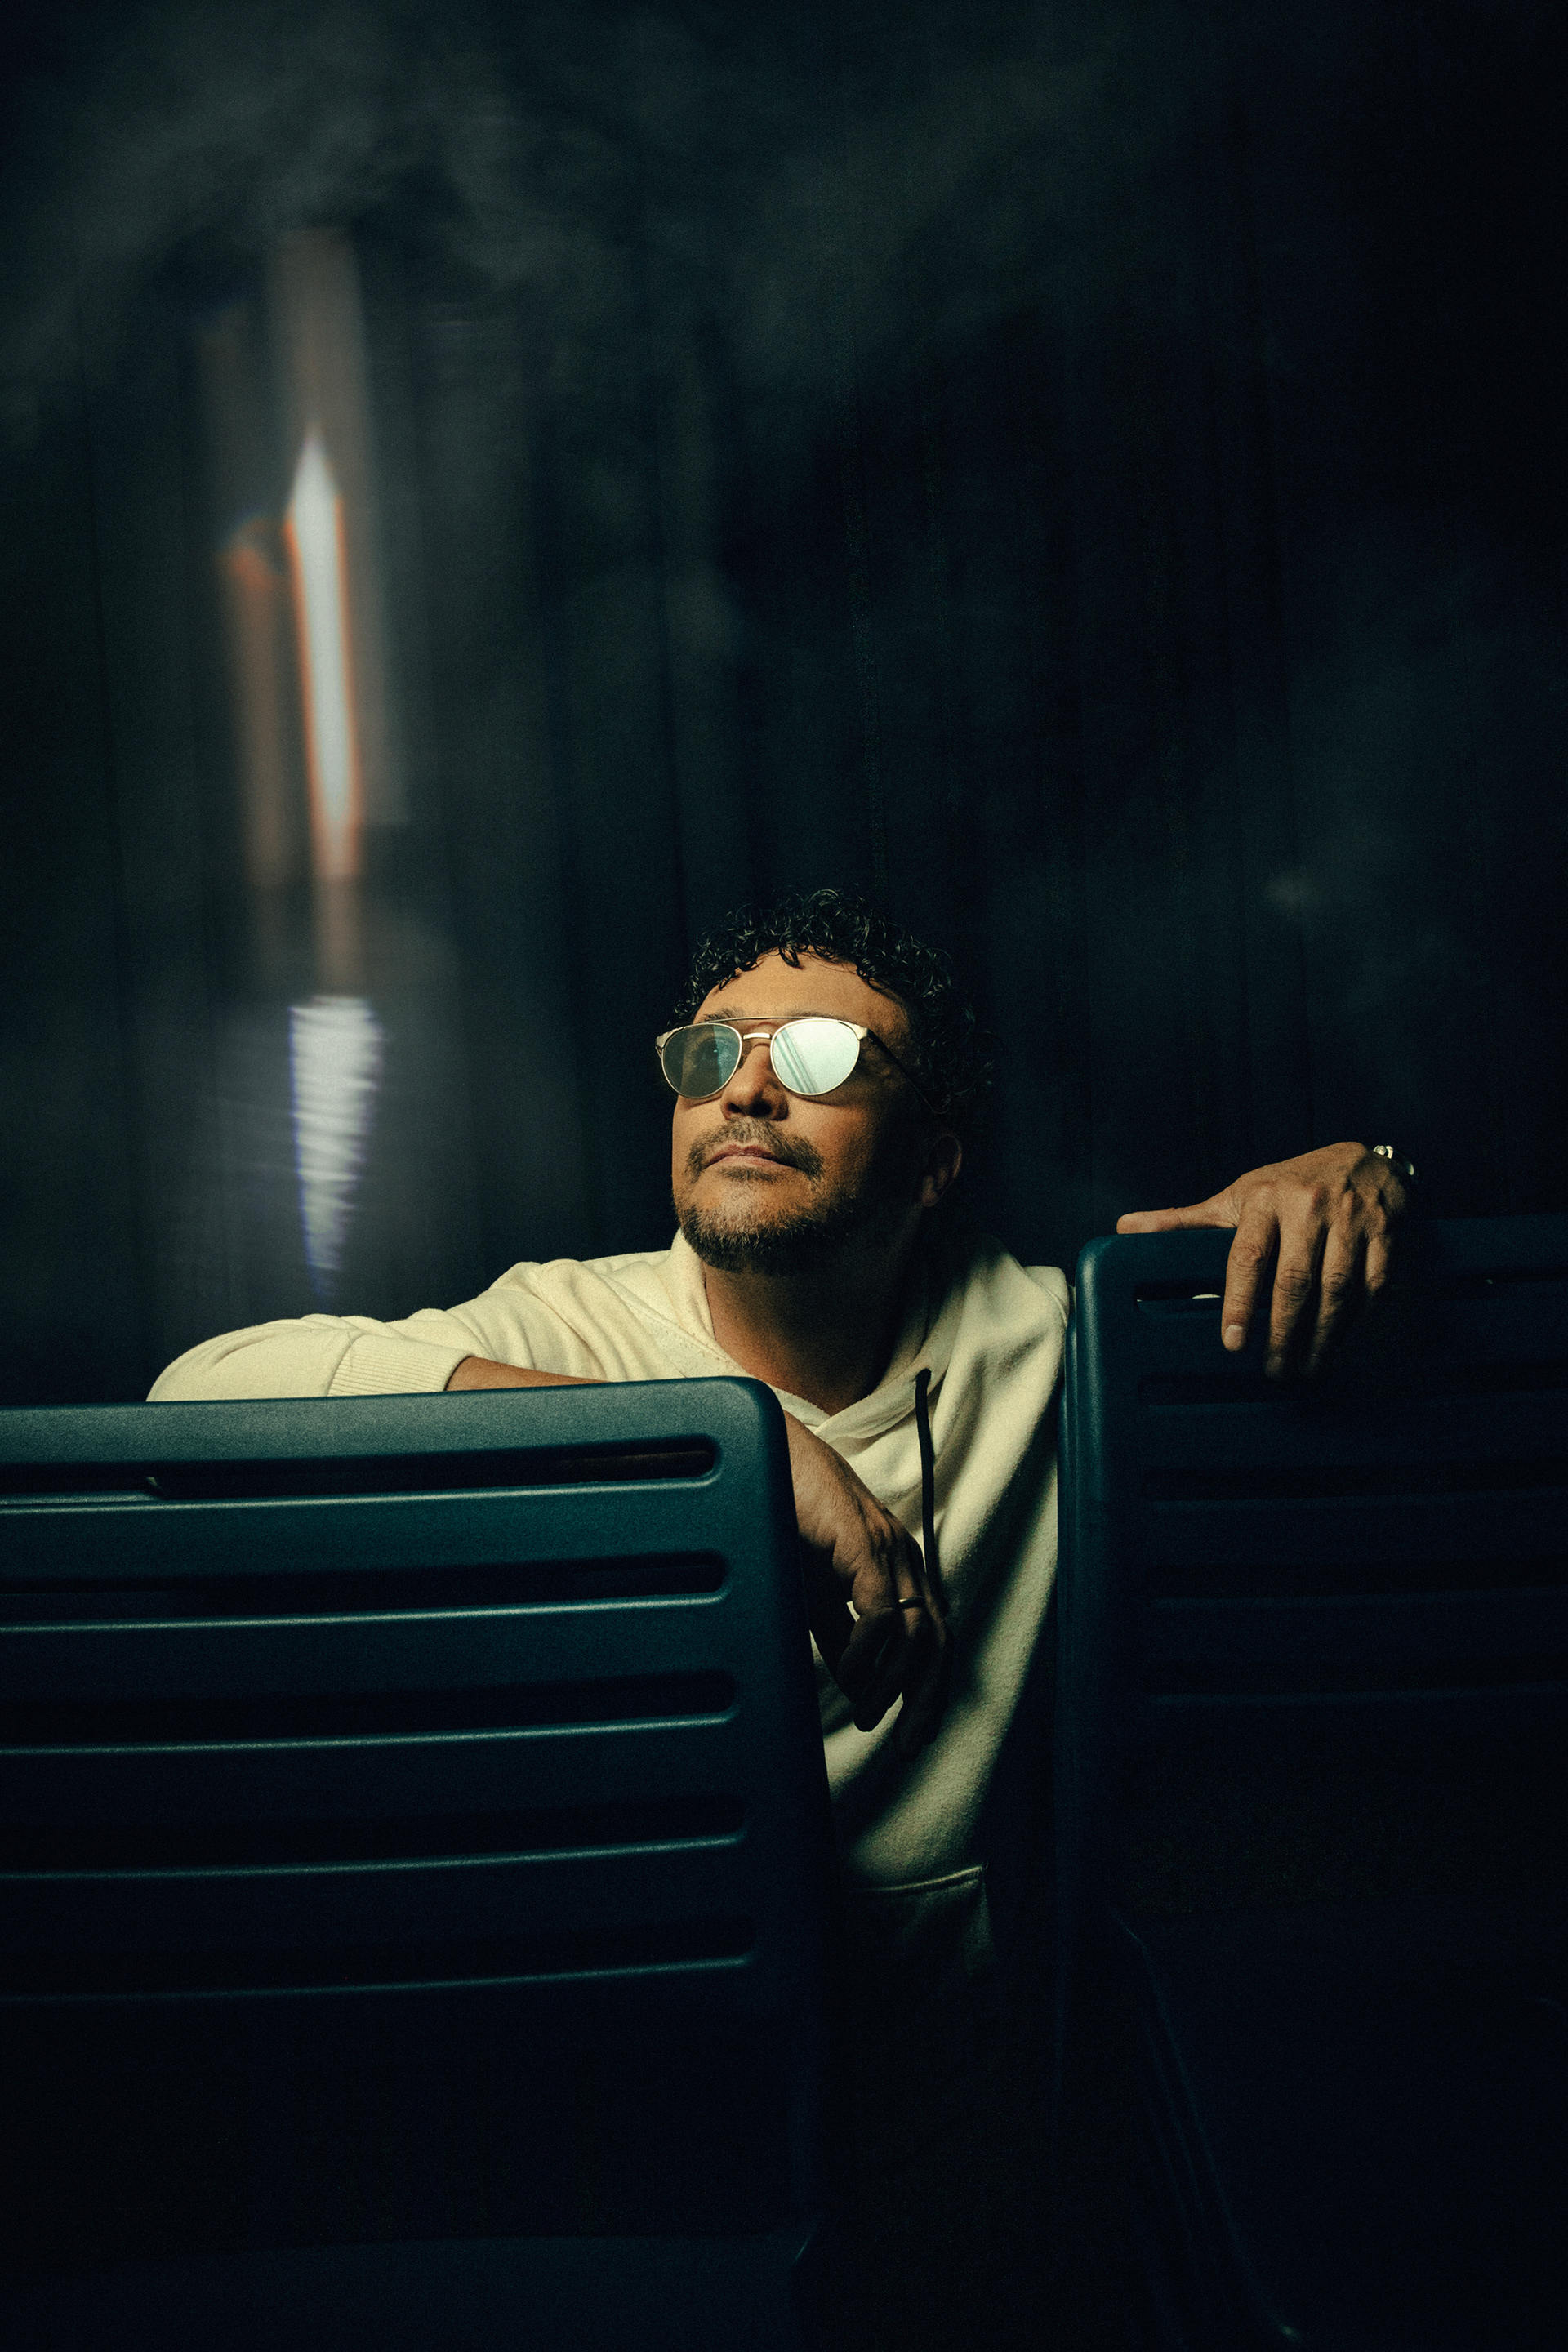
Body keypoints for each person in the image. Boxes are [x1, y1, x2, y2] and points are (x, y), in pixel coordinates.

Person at [150, 887, 1411, 2346]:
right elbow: (203, 1395)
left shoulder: (1050, 1341)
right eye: (713, 1053)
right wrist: (731, 1442)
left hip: (964, 2130)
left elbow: (1320, 1285)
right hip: (619, 2115)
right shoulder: (571, 1325)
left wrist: (1373, 1174)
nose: (745, 1088)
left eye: (819, 1057)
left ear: (934, 1164)